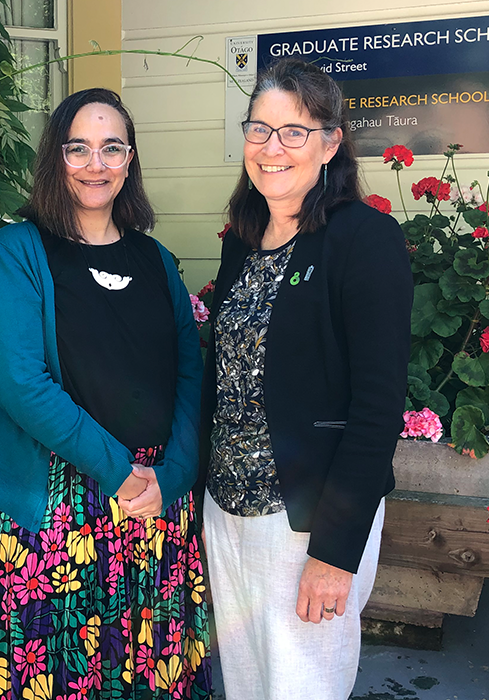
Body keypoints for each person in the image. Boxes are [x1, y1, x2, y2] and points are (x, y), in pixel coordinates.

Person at [0, 88, 212, 699]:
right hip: (55, 512)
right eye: (79, 148)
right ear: (56, 158)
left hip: (153, 509)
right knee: (56, 676)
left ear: (130, 161)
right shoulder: (17, 252)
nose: (96, 164)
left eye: (111, 148)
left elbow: (189, 369)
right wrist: (119, 472)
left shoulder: (156, 259)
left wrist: (174, 476)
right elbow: (22, 385)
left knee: (149, 670)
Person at [199, 59, 413, 699]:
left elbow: (377, 411)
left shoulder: (364, 239)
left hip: (305, 519)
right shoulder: (242, 240)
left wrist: (335, 552)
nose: (272, 148)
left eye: (294, 131)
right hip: (227, 508)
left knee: (301, 686)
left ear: (330, 142)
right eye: (259, 129)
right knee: (244, 682)